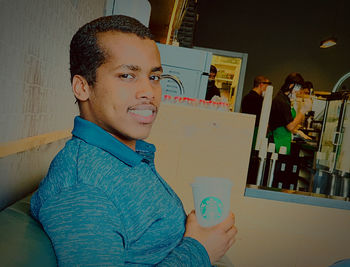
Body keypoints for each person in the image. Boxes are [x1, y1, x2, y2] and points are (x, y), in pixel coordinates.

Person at [30, 15, 237, 266]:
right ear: (82, 87)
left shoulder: (123, 155)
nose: (149, 92)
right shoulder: (83, 187)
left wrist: (195, 233)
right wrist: (200, 249)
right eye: (127, 76)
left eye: (154, 77)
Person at [268, 72, 312, 155]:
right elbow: (290, 126)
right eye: (298, 89)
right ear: (291, 86)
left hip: (282, 139)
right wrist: (303, 110)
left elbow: (284, 122)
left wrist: (298, 132)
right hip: (277, 140)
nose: (298, 92)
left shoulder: (285, 99)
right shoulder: (281, 101)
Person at [241, 75, 271, 148]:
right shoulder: (259, 100)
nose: (267, 88)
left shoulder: (246, 97)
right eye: (267, 86)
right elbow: (262, 118)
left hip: (246, 130)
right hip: (256, 132)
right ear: (261, 84)